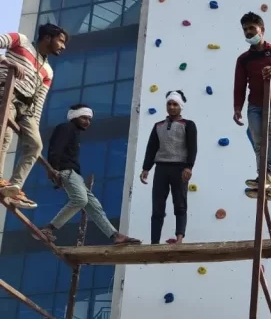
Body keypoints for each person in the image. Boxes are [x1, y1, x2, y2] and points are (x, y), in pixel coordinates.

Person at [39, 105, 140, 245]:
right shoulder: (66, 128)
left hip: (74, 174)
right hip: (66, 171)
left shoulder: (74, 132)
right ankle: (49, 228)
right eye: (84, 117)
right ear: (74, 116)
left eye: (90, 119)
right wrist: (54, 170)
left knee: (94, 206)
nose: (87, 122)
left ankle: (115, 235)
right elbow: (55, 149)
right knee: (80, 200)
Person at [0, 23, 68, 209]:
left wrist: (33, 127)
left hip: (26, 108)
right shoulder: (20, 40)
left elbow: (39, 101)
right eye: (60, 41)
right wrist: (6, 61)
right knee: (4, 134)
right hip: (6, 93)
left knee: (36, 144)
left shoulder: (48, 71)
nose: (63, 46)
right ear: (47, 38)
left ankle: (14, 188)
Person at [233, 12, 271, 200]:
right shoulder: (243, 59)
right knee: (259, 140)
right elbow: (239, 85)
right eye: (245, 29)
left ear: (262, 29)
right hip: (255, 105)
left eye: (252, 28)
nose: (248, 32)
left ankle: (268, 174)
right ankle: (266, 182)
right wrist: (237, 108)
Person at [140, 91, 197, 244]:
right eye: (169, 104)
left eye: (175, 104)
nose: (171, 107)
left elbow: (192, 148)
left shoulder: (188, 125)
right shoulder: (158, 126)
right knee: (158, 205)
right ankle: (154, 242)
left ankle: (179, 237)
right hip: (161, 168)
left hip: (179, 169)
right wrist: (146, 168)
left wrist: (188, 167)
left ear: (180, 106)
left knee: (180, 203)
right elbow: (151, 148)